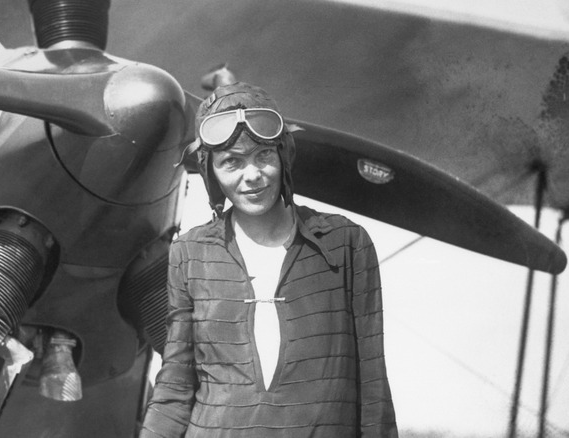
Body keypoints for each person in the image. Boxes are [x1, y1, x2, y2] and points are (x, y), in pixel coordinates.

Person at [140, 82, 398, 437]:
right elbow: (174, 387)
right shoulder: (190, 253)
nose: (252, 175)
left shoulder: (346, 243)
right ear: (210, 172)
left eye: (262, 155)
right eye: (231, 161)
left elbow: (373, 388)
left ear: (282, 155)